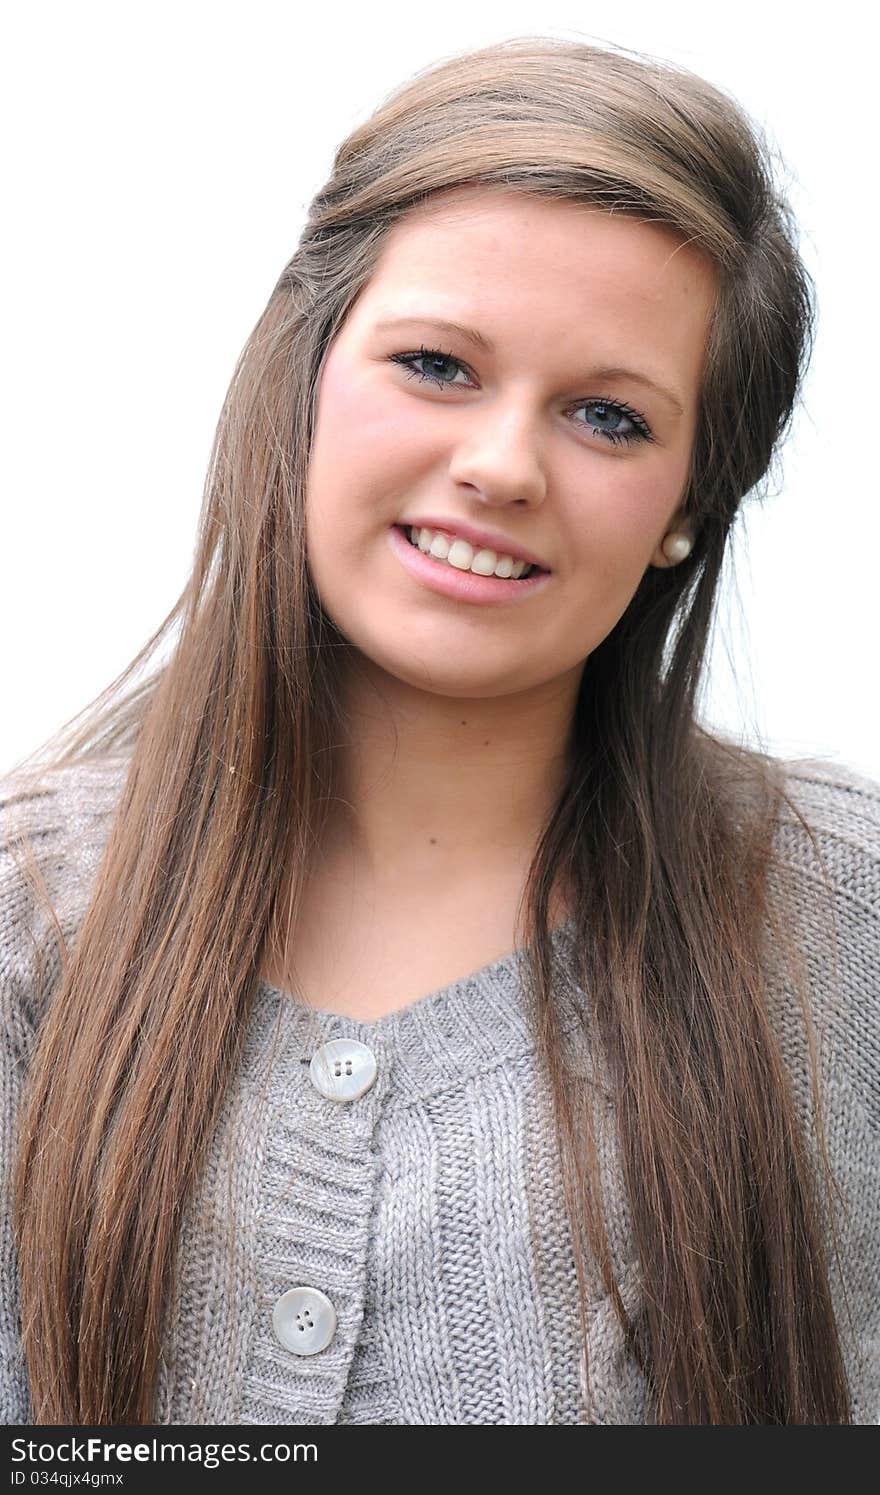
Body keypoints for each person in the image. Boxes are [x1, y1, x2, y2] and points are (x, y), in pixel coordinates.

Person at [1, 34, 878, 1427]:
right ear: (304, 373)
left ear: (690, 508)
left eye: (608, 416)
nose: (500, 466)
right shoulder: (29, 920)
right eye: (436, 365)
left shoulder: (843, 922)